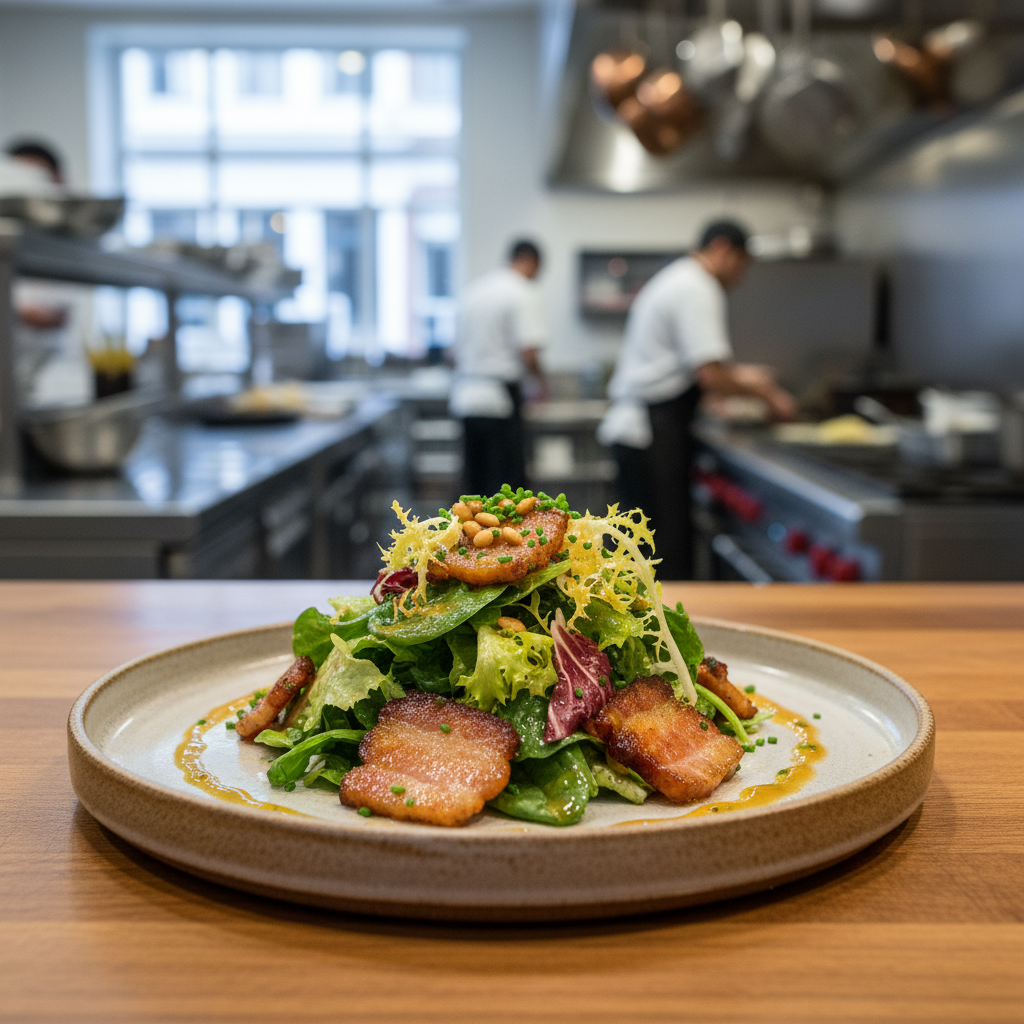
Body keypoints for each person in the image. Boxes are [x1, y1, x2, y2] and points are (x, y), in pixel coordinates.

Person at [598, 219, 796, 580]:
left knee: (640, 554)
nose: (739, 278)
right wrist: (768, 392)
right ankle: (662, 633)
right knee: (660, 555)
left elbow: (690, 372)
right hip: (650, 433)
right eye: (740, 265)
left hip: (645, 429)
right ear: (722, 249)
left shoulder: (678, 279)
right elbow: (711, 372)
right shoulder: (698, 286)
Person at [450, 239, 548, 497]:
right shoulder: (521, 291)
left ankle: (470, 537)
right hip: (500, 397)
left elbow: (452, 354)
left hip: (466, 394)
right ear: (531, 262)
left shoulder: (473, 291)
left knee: (474, 486)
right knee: (508, 489)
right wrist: (541, 383)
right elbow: (528, 350)